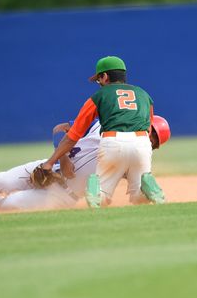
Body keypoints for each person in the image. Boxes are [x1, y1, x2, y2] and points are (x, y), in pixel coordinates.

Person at [0, 115, 170, 212]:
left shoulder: (133, 158)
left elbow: (139, 188)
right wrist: (62, 158)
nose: (150, 140)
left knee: (11, 205)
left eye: (154, 142)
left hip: (62, 195)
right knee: (0, 180)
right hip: (48, 168)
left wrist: (149, 195)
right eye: (151, 133)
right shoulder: (103, 123)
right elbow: (61, 131)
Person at [37, 56, 159, 206]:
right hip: (142, 143)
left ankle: (96, 189)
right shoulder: (144, 95)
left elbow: (73, 135)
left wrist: (50, 162)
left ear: (105, 76)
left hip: (113, 142)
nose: (99, 83)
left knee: (101, 197)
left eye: (98, 79)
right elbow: (148, 128)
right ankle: (146, 186)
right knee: (138, 198)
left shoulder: (99, 96)